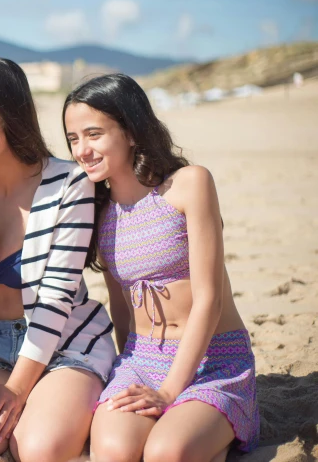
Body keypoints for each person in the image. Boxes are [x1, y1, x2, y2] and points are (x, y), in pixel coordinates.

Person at [62, 73, 259, 461]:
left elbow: (209, 300)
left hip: (213, 358)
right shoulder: (98, 212)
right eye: (73, 139)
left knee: (166, 452)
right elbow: (120, 303)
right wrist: (126, 367)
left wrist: (170, 391)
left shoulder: (189, 185)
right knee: (115, 451)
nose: (82, 149)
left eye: (94, 134)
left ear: (132, 132)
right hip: (141, 359)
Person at [0, 56, 117, 462]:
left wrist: (17, 389)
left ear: (11, 112)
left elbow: (54, 299)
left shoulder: (68, 183)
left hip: (66, 343)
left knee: (39, 449)